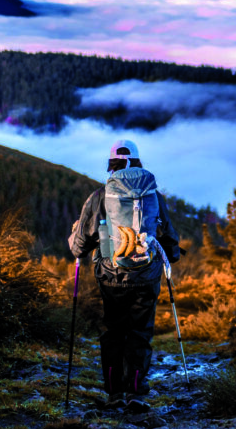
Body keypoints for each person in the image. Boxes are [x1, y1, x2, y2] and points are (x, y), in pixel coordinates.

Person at [69, 139, 181, 413]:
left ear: (111, 164)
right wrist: (171, 256)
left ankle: (114, 393)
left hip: (111, 276)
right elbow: (170, 239)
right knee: (140, 332)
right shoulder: (154, 196)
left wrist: (76, 244)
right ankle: (136, 393)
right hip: (147, 275)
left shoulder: (100, 196)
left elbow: (80, 244)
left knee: (114, 331)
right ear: (138, 162)